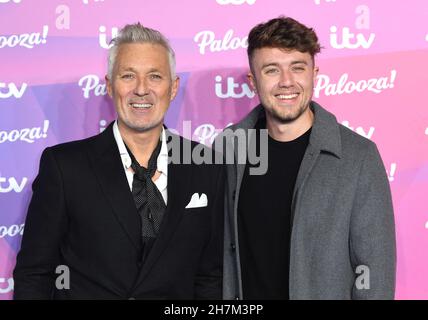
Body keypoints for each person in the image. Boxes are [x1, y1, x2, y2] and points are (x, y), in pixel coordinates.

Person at [13, 23, 224, 299]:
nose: (141, 89)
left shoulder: (206, 166)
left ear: (173, 88)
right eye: (128, 76)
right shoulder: (65, 167)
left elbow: (210, 276)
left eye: (155, 77)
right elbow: (35, 274)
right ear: (110, 86)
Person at [217, 16, 396, 300]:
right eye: (272, 70)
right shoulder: (227, 149)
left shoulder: (358, 157)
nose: (286, 82)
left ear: (314, 74)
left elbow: (376, 271)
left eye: (297, 68)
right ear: (253, 81)